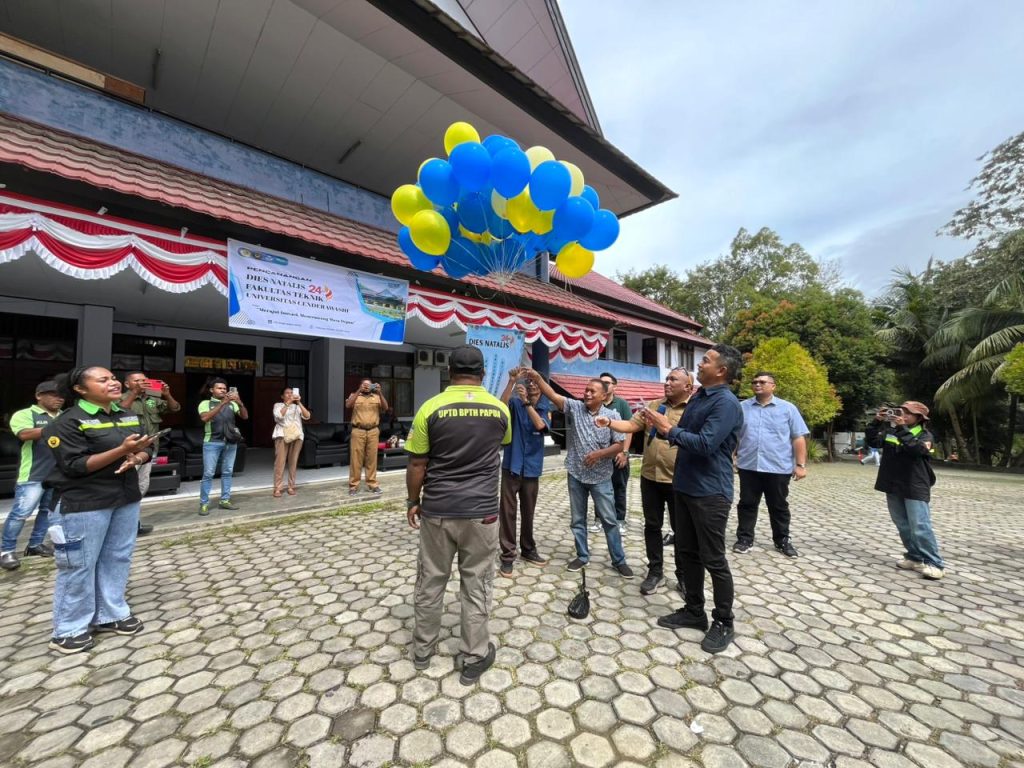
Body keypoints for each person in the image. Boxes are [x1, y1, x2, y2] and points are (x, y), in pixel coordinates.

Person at [405, 345, 511, 685]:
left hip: (437, 510)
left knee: (431, 579)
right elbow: (499, 447)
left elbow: (417, 463)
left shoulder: (430, 408)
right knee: (477, 582)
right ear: (482, 374)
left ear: (448, 372)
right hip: (482, 514)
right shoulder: (499, 410)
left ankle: (423, 651)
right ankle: (474, 655)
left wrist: (412, 500)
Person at [43, 366, 155, 653]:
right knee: (79, 564)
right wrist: (120, 451)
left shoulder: (126, 414)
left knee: (117, 557)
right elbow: (74, 465)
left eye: (113, 378)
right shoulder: (66, 423)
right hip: (84, 502)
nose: (113, 383)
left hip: (124, 497)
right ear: (80, 389)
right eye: (102, 380)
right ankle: (68, 629)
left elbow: (146, 447)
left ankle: (110, 614)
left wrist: (138, 457)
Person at [641, 344, 744, 654]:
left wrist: (668, 429)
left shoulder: (726, 403)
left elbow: (704, 444)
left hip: (710, 492)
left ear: (722, 370)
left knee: (714, 559)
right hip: (684, 486)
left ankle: (723, 621)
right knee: (687, 554)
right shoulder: (699, 396)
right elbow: (680, 432)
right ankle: (694, 611)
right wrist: (655, 424)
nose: (700, 364)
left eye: (706, 361)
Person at [526, 370, 632, 578]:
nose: (587, 394)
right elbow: (554, 396)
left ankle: (618, 560)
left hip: (601, 477)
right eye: (586, 390)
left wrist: (600, 454)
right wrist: (538, 379)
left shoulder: (612, 416)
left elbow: (619, 445)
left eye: (592, 391)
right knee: (577, 520)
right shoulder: (575, 408)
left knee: (609, 520)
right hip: (576, 474)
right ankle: (582, 556)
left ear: (603, 396)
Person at [599, 367, 694, 595]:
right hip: (650, 477)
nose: (668, 382)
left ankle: (684, 575)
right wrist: (610, 423)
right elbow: (632, 425)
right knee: (652, 526)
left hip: (678, 479)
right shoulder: (653, 405)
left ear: (688, 387)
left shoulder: (694, 409)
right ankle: (655, 571)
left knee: (682, 530)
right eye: (667, 378)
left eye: (674, 379)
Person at [732, 372, 809, 558]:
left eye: (762, 382)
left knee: (779, 506)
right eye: (755, 382)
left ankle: (782, 540)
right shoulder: (742, 408)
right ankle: (744, 539)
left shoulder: (788, 409)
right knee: (747, 504)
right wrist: (732, 457)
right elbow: (736, 436)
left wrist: (800, 465)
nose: (757, 384)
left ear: (773, 386)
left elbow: (798, 437)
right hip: (749, 466)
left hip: (778, 467)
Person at [864, 401, 944, 580]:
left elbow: (916, 450)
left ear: (919, 418)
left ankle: (935, 563)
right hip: (893, 484)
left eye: (909, 413)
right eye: (902, 412)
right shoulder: (891, 431)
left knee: (920, 526)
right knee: (902, 524)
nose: (904, 415)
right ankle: (914, 557)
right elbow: (873, 441)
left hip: (915, 485)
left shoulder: (925, 435)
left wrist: (901, 429)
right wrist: (877, 421)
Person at [1, 381, 64, 571]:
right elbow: (25, 434)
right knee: (21, 514)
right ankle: (7, 551)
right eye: (53, 394)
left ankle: (35, 545)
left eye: (61, 395)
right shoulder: (25, 415)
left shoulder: (63, 416)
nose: (58, 399)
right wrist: (59, 428)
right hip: (33, 475)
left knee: (47, 512)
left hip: (57, 474)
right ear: (39, 395)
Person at [497, 367, 551, 578]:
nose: (531, 387)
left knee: (528, 512)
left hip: (531, 469)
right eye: (529, 384)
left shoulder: (545, 407)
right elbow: (500, 409)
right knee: (507, 513)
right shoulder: (516, 403)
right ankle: (508, 556)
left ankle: (528, 550)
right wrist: (511, 382)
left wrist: (528, 403)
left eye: (536, 384)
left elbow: (541, 426)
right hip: (511, 464)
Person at [121, 372, 181, 535]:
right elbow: (118, 413)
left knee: (141, 487)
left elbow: (174, 408)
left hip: (149, 450)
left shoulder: (152, 398)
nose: (141, 383)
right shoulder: (120, 397)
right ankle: (123, 526)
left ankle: (134, 523)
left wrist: (167, 394)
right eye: (137, 380)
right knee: (126, 488)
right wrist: (134, 394)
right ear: (127, 384)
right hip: (128, 452)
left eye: (144, 380)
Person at [197, 378, 248, 516]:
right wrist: (222, 404)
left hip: (230, 442)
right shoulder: (205, 403)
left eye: (224, 388)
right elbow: (204, 418)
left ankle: (224, 500)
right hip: (212, 442)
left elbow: (245, 416)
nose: (223, 390)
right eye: (219, 388)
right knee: (208, 473)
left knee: (227, 472)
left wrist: (239, 402)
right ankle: (204, 503)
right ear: (211, 390)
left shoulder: (232, 404)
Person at [596, 372, 633, 535]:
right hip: (601, 455)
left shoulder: (622, 404)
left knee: (619, 488)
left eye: (607, 382)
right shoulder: (596, 404)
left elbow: (629, 429)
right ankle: (599, 520)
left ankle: (619, 520)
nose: (604, 385)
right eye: (601, 382)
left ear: (614, 386)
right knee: (599, 488)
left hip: (618, 454)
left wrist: (624, 452)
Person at [346, 379, 389, 496]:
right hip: (358, 430)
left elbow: (386, 408)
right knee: (356, 459)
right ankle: (353, 486)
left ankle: (372, 484)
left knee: (372, 459)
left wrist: (380, 392)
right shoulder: (354, 396)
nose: (366, 386)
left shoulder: (376, 396)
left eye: (369, 385)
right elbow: (348, 405)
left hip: (373, 431)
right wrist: (359, 390)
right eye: (364, 384)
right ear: (360, 385)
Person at [272, 386, 311, 497]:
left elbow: (307, 416)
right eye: (287, 393)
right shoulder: (278, 405)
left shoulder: (297, 406)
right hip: (282, 435)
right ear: (282, 396)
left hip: (297, 435)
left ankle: (291, 486)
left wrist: (298, 402)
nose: (290, 394)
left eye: (291, 393)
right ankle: (278, 488)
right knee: (280, 463)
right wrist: (288, 403)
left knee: (293, 462)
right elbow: (279, 416)